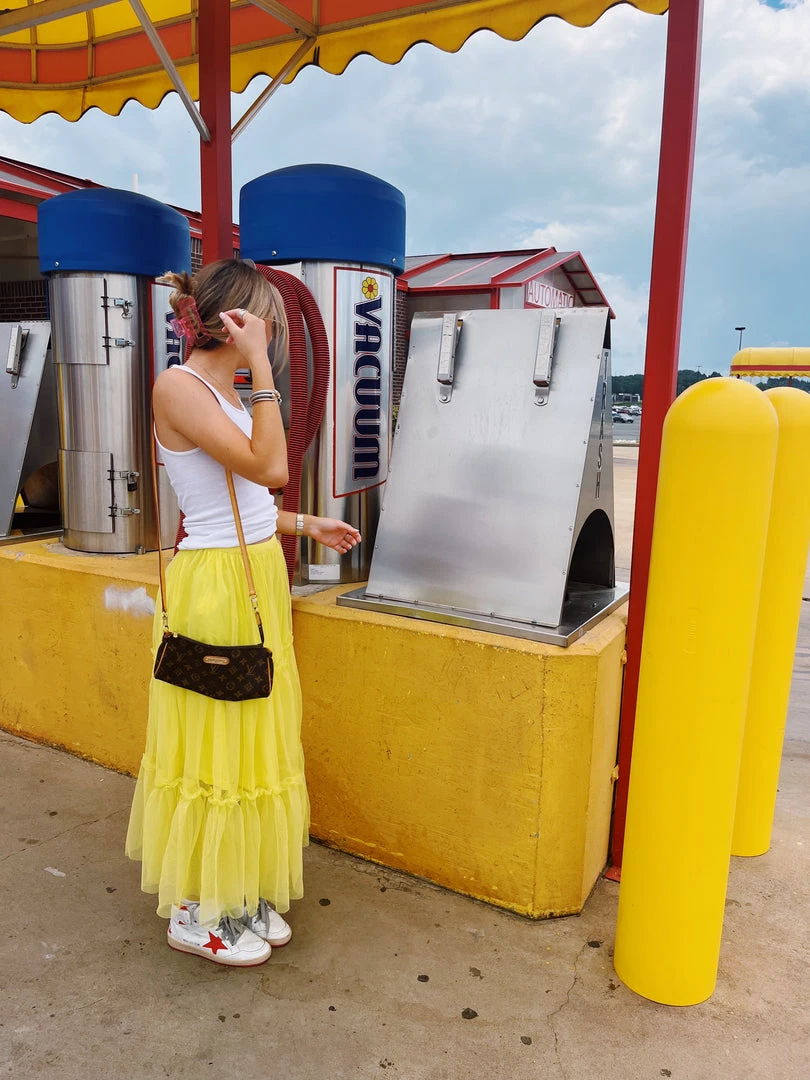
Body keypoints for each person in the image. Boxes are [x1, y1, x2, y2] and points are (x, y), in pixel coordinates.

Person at [125, 259, 361, 967]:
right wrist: (259, 365)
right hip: (218, 584)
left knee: (252, 731)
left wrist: (303, 525)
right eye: (267, 325)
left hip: (250, 572)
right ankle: (199, 908)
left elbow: (249, 499)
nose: (277, 337)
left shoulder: (224, 391)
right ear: (235, 323)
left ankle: (238, 885)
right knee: (217, 734)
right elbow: (269, 464)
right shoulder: (181, 386)